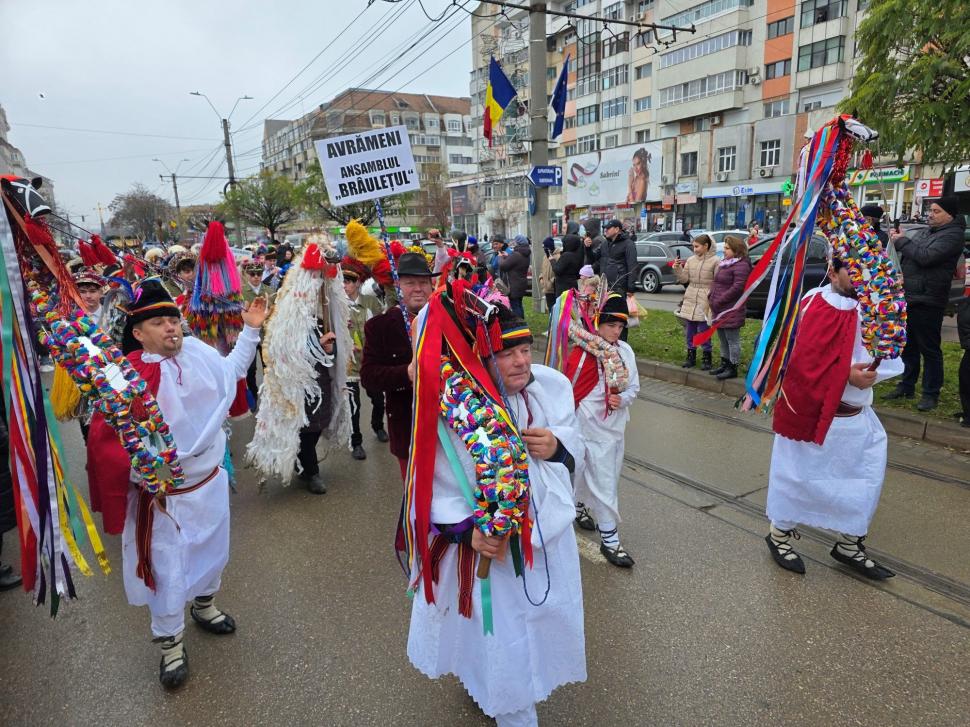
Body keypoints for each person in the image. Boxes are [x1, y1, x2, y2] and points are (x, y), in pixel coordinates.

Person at [406, 301, 586, 727]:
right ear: (484, 358)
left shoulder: (549, 388)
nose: (522, 360)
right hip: (494, 549)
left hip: (545, 548)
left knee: (538, 627)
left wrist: (558, 447)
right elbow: (435, 480)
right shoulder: (459, 412)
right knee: (501, 640)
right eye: (507, 353)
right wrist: (465, 531)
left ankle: (505, 692)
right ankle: (512, 709)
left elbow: (578, 447)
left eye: (525, 348)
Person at [85, 279, 267, 689]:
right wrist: (142, 472)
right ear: (138, 332)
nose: (171, 328)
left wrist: (252, 329)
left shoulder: (198, 352)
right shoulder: (123, 376)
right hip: (164, 498)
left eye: (173, 319)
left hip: (210, 484)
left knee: (214, 551)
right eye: (160, 322)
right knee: (166, 570)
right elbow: (107, 441)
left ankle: (205, 607)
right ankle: (170, 646)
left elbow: (232, 373)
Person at [764, 256, 903, 580]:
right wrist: (845, 377)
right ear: (831, 272)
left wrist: (874, 371)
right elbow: (799, 361)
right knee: (795, 478)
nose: (861, 279)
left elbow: (889, 353)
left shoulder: (872, 307)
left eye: (866, 273)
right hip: (811, 416)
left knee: (863, 482)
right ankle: (779, 536)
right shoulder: (813, 303)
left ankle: (849, 544)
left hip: (856, 416)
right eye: (853, 272)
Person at [567, 293, 640, 568]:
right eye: (610, 325)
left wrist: (622, 399)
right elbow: (569, 389)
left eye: (620, 327)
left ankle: (580, 508)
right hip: (584, 426)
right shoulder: (582, 352)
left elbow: (633, 386)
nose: (615, 331)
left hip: (611, 429)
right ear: (597, 323)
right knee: (588, 473)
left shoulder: (625, 352)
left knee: (602, 475)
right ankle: (609, 538)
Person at [886, 196, 966, 411]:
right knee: (908, 345)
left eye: (936, 211)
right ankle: (907, 384)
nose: (930, 214)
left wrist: (902, 241)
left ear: (950, 214)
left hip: (929, 298)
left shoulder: (953, 235)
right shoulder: (926, 231)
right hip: (910, 295)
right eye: (930, 210)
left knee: (929, 348)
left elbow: (926, 257)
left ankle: (931, 393)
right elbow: (910, 257)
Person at [360, 252, 433, 478]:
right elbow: (369, 376)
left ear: (432, 286)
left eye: (423, 282)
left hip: (452, 428)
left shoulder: (450, 321)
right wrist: (406, 373)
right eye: (410, 283)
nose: (418, 288)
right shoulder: (379, 326)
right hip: (407, 427)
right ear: (398, 286)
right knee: (416, 501)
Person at [342, 258, 387, 460]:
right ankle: (356, 441)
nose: (345, 286)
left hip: (370, 361)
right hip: (348, 363)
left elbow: (381, 326)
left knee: (378, 399)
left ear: (357, 283)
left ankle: (378, 425)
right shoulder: (336, 306)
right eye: (342, 281)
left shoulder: (370, 302)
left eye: (349, 281)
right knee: (353, 405)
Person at [707, 235, 752, 380]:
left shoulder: (742, 265)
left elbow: (738, 287)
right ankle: (724, 363)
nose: (724, 251)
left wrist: (720, 299)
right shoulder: (726, 262)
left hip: (731, 308)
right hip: (719, 308)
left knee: (732, 339)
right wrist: (711, 296)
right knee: (722, 338)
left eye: (727, 248)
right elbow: (717, 281)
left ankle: (733, 367)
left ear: (736, 249)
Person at [673, 233, 718, 370]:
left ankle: (706, 357)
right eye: (693, 246)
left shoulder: (716, 261)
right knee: (690, 328)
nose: (695, 249)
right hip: (691, 295)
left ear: (706, 246)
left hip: (706, 297)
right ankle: (690, 356)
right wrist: (678, 269)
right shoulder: (691, 260)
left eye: (697, 246)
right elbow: (684, 279)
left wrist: (713, 298)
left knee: (704, 328)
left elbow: (717, 281)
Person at [587, 219, 636, 341]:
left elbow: (633, 265)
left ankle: (621, 342)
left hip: (619, 286)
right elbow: (594, 258)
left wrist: (630, 287)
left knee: (619, 316)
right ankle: (607, 340)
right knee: (606, 315)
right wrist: (587, 247)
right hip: (604, 286)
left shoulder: (628, 244)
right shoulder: (605, 244)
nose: (606, 230)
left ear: (617, 229)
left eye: (608, 228)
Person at [240, 260, 274, 410]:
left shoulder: (269, 290)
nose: (255, 277)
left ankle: (272, 400)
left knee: (269, 368)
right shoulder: (240, 292)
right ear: (247, 275)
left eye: (259, 274)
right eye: (252, 274)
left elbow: (275, 311)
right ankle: (253, 399)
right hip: (249, 336)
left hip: (267, 335)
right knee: (250, 370)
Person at [498, 233, 531, 318]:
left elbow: (503, 266)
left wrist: (500, 257)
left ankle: (519, 324)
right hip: (521, 283)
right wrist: (508, 256)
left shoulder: (516, 255)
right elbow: (517, 262)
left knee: (515, 306)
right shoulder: (525, 254)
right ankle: (522, 324)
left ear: (518, 243)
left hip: (514, 285)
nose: (513, 244)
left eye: (515, 242)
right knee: (519, 305)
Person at [553, 222, 584, 296]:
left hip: (563, 287)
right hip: (572, 284)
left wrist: (552, 260)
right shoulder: (576, 254)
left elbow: (557, 270)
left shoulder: (566, 255)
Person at [538, 236, 557, 311]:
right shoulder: (545, 257)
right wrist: (541, 278)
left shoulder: (557, 256)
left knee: (554, 310)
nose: (544, 250)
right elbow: (543, 270)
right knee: (550, 309)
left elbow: (558, 271)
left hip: (553, 288)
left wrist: (551, 282)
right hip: (546, 288)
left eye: (546, 248)